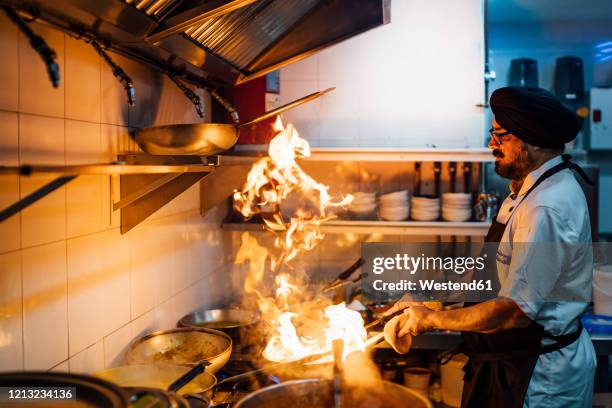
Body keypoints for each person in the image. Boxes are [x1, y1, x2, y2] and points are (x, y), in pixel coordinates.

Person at [385, 86, 596, 408]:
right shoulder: (526, 189)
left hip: (539, 377)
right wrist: (435, 296)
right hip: (511, 360)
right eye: (492, 134)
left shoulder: (546, 208)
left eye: (501, 136)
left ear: (533, 138)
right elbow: (493, 267)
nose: (490, 145)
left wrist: (429, 319)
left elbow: (515, 313)